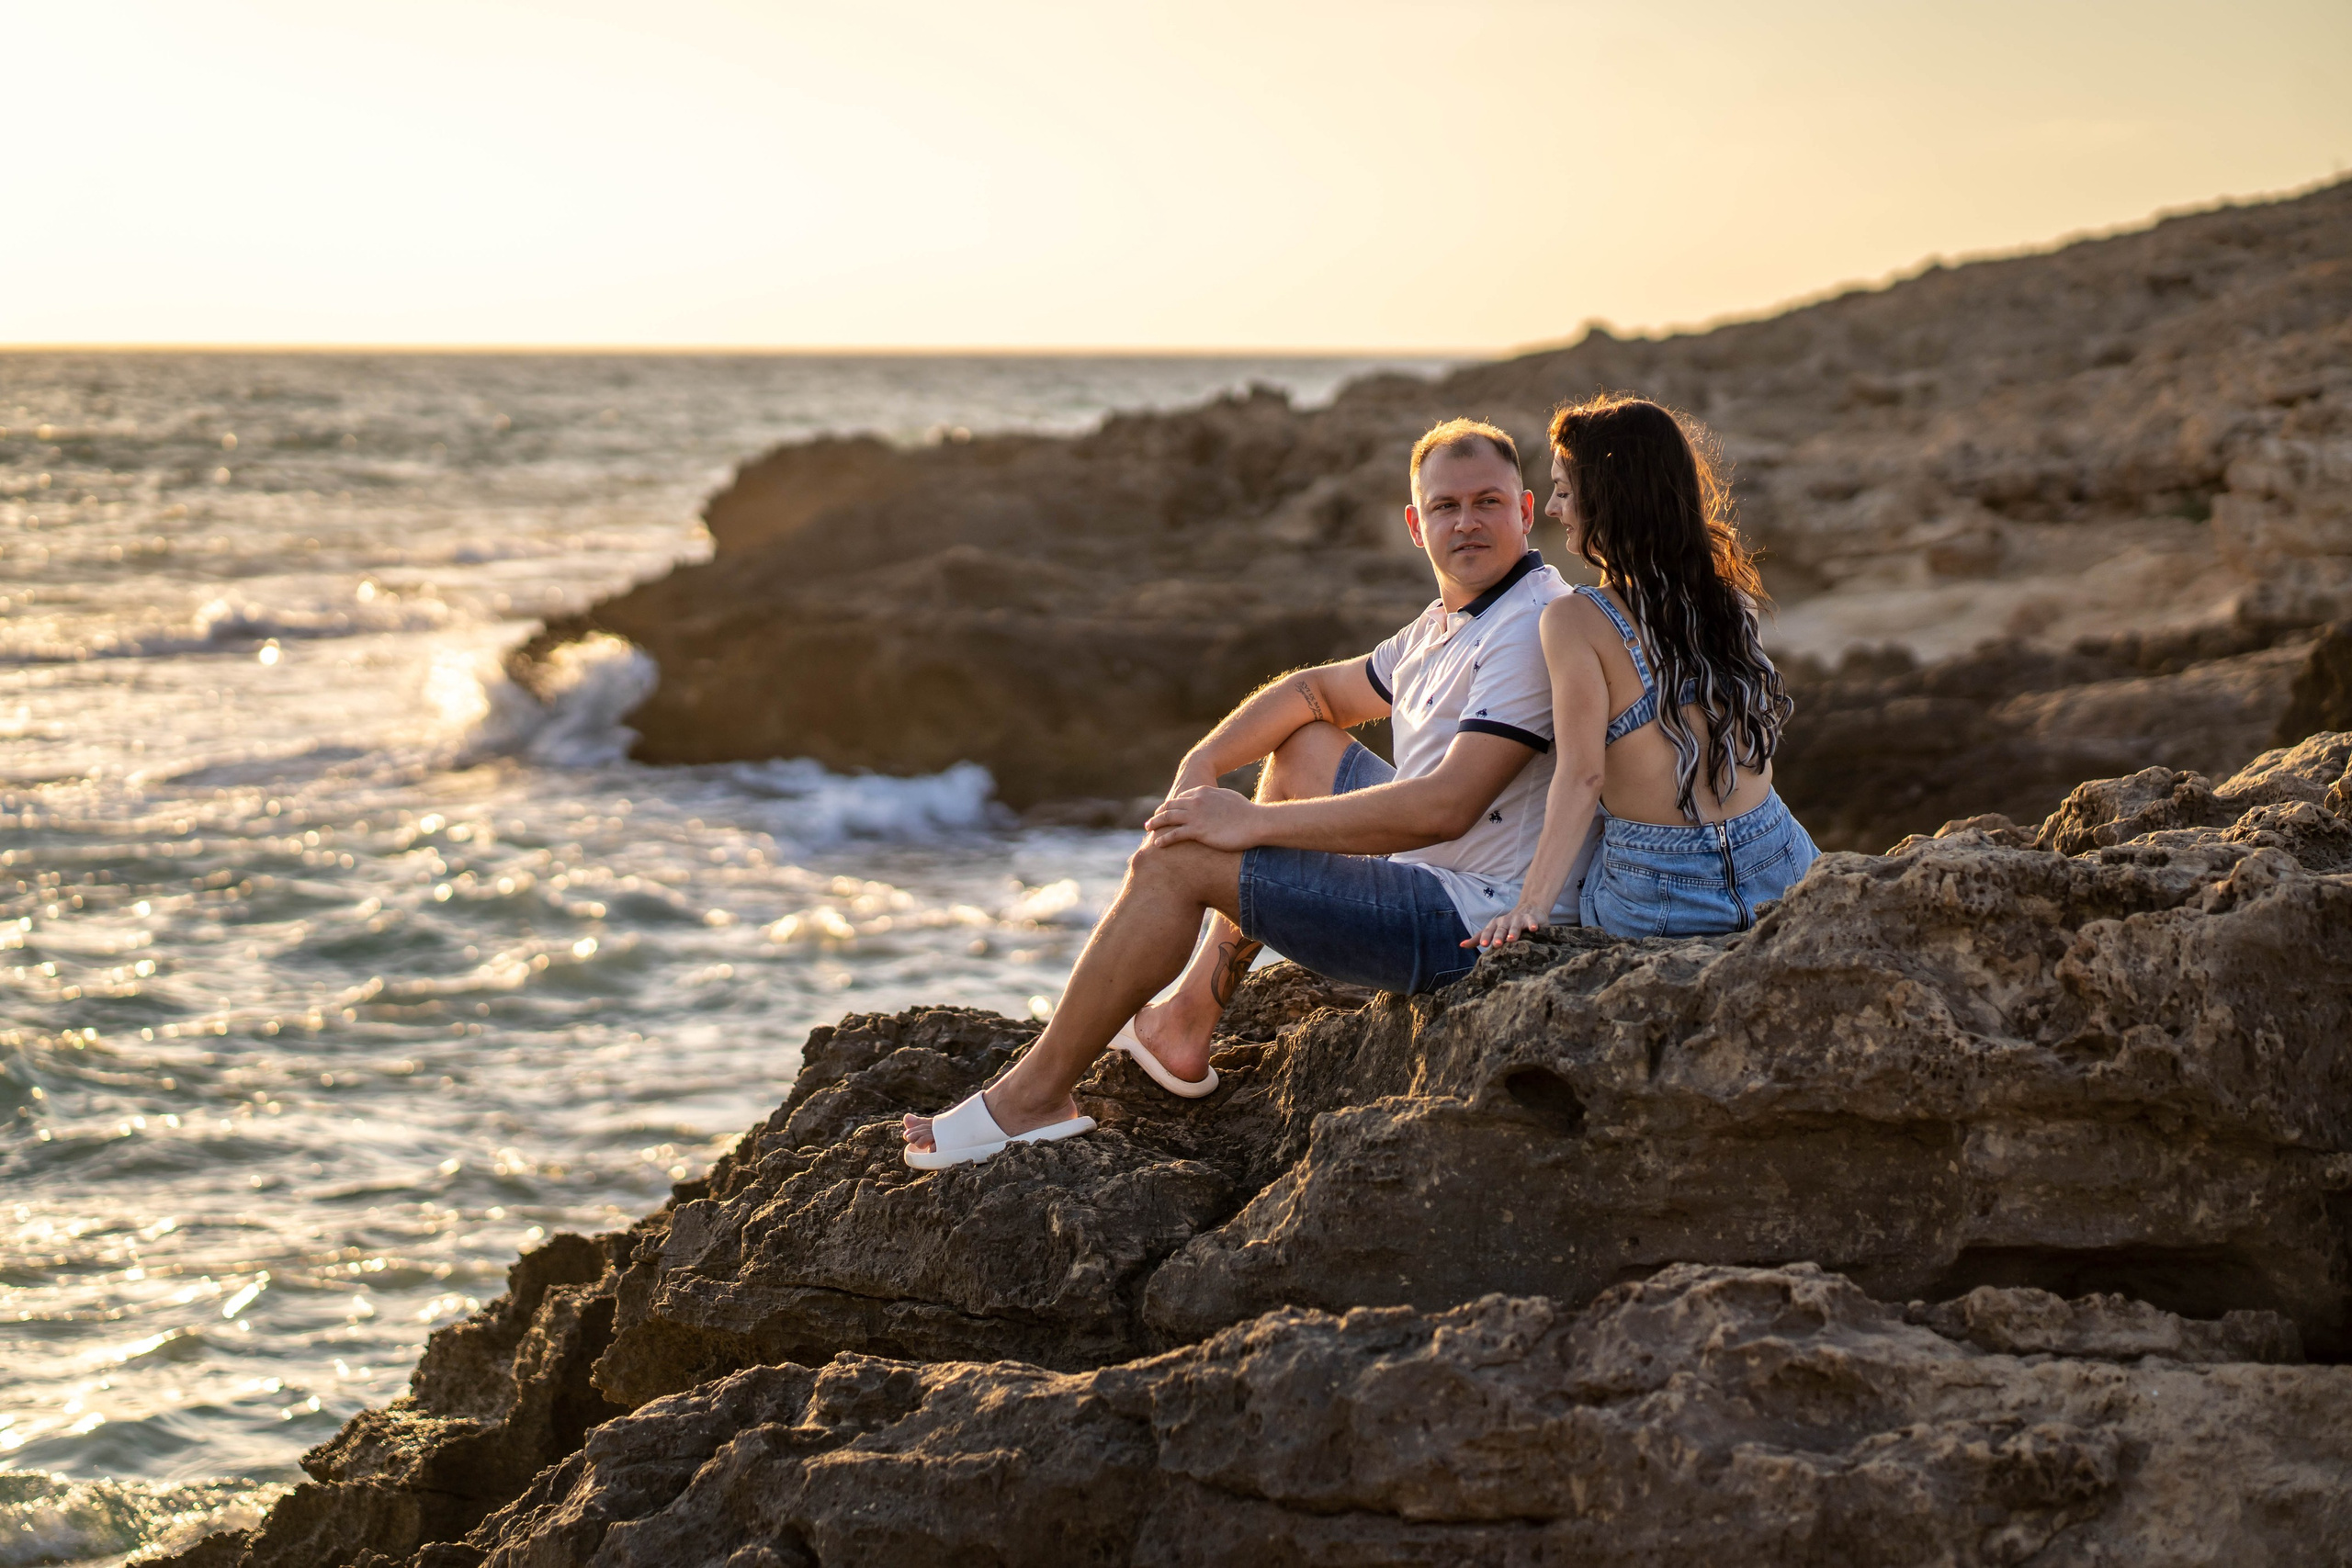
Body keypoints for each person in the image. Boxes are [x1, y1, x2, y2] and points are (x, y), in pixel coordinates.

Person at [904, 419, 1571, 1168]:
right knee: (1303, 747)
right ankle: (1184, 1021)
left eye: (1488, 501)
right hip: (1443, 869)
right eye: (1446, 506)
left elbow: (1444, 808)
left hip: (1475, 923)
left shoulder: (1528, 626)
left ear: (1525, 510)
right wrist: (1202, 762)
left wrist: (1248, 823)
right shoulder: (1446, 621)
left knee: (1175, 864)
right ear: (1416, 526)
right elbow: (1316, 693)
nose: (1467, 521)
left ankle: (1033, 1098)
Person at [1464, 394, 1816, 951]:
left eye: (1563, 491)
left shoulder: (1575, 620)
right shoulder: (1732, 600)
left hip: (1658, 890)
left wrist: (1530, 905)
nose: (1552, 509)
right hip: (1781, 860)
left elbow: (1582, 778)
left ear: (1610, 501)